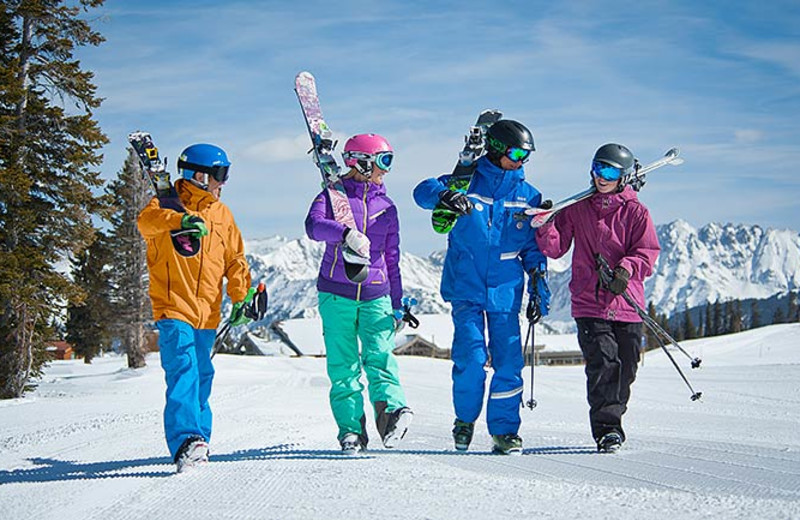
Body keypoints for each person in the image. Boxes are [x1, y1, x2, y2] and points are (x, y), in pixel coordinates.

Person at [413, 119, 550, 455]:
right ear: (498, 148)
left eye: (527, 155)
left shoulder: (528, 196)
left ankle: (504, 431)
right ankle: (464, 419)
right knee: (471, 360)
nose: (522, 161)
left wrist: (538, 281)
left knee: (508, 364)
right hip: (466, 290)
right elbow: (422, 192)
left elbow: (532, 249)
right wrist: (446, 194)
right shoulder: (466, 181)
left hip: (506, 293)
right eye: (517, 152)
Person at [534, 143, 660, 453]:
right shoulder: (579, 208)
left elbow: (647, 252)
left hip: (626, 303)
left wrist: (626, 270)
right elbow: (555, 247)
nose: (600, 177)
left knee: (626, 368)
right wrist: (545, 224)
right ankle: (607, 429)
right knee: (603, 363)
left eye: (609, 171)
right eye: (597, 168)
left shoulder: (636, 212)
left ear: (624, 176)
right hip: (590, 303)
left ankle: (613, 414)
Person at [138, 143, 253, 472]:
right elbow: (146, 224)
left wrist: (240, 293)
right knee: (184, 370)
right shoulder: (164, 206)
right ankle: (186, 439)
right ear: (200, 175)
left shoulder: (222, 214)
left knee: (202, 374)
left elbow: (235, 260)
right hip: (173, 306)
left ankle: (199, 439)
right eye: (220, 174)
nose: (224, 182)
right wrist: (179, 220)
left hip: (208, 312)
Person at [304, 133, 413, 455]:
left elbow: (392, 257)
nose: (387, 170)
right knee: (344, 367)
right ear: (362, 162)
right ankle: (351, 432)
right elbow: (313, 227)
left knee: (380, 358)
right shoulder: (331, 197)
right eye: (384, 161)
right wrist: (346, 234)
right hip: (336, 293)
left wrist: (397, 303)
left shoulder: (387, 207)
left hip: (376, 295)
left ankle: (392, 415)